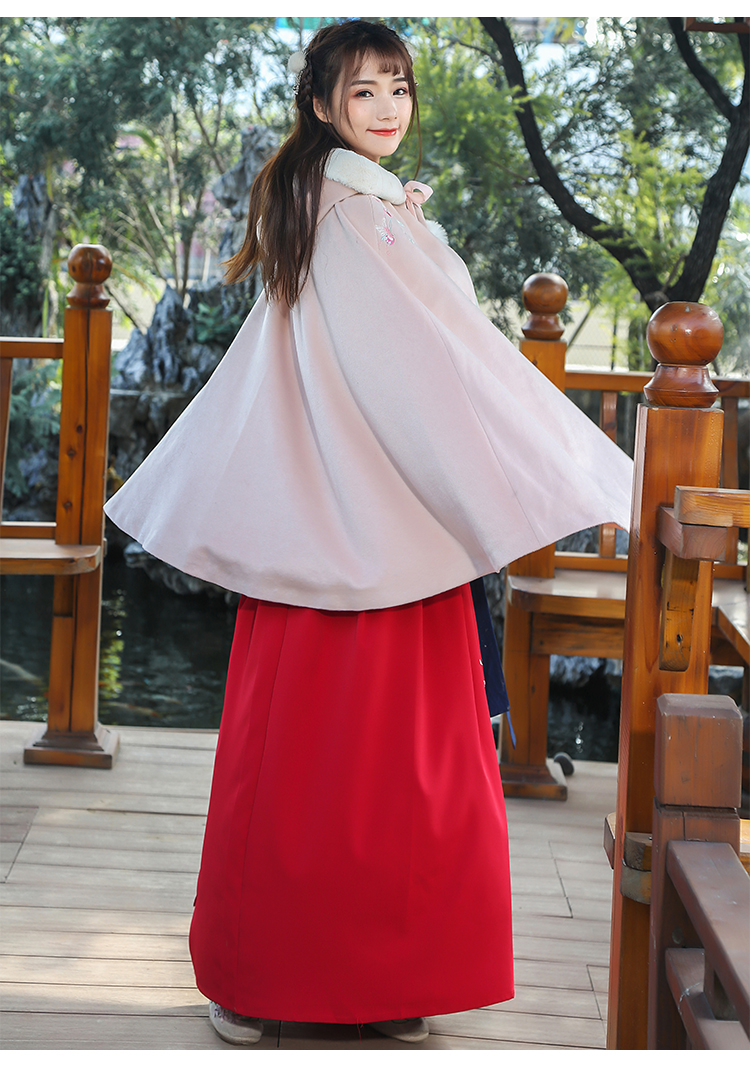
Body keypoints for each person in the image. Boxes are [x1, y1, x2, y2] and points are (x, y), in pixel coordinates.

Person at [104, 20, 632, 1046]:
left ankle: (287, 980)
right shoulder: (355, 217)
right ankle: (353, 982)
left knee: (301, 768)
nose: (388, 107)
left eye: (399, 87)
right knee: (393, 776)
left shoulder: (338, 205)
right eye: (363, 91)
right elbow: (428, 384)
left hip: (339, 522)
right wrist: (517, 489)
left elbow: (435, 366)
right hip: (382, 520)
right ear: (321, 106)